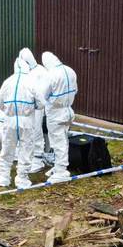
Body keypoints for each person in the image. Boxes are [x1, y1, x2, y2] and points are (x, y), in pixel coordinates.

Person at [0, 59, 44, 189]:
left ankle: (4, 177)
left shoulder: (7, 82)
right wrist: (30, 107)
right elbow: (41, 103)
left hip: (10, 120)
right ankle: (22, 178)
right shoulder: (32, 82)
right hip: (27, 121)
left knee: (7, 147)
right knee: (26, 149)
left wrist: (9, 109)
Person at [41, 51, 78, 183]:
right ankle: (59, 166)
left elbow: (42, 96)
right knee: (63, 139)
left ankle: (61, 170)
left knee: (58, 142)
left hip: (56, 112)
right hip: (68, 110)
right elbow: (75, 90)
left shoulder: (51, 75)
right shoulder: (70, 70)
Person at [18, 47, 49, 172]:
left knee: (36, 130)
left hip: (37, 107)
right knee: (24, 130)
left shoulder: (41, 71)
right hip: (24, 107)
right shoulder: (25, 71)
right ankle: (26, 154)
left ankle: (38, 157)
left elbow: (45, 91)